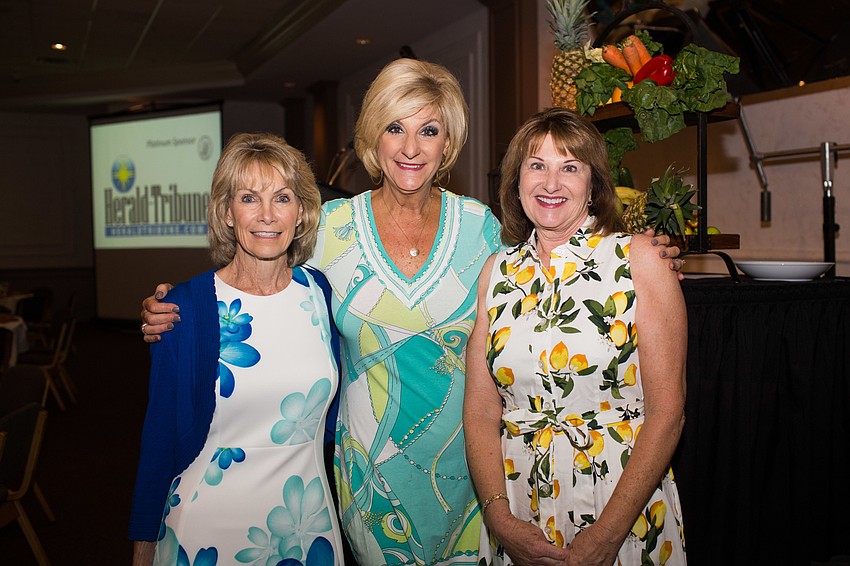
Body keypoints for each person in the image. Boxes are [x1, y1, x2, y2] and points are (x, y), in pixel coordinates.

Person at [139, 59, 684, 565]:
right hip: (373, 486)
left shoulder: (484, 231)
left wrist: (647, 257)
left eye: (429, 130)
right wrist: (178, 308)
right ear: (374, 136)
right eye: (396, 127)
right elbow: (258, 278)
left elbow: (556, 271)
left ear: (447, 143)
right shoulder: (329, 229)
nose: (411, 147)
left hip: (482, 483)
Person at [464, 107, 687, 566]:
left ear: (593, 185)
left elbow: (669, 412)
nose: (551, 183)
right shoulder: (496, 274)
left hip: (623, 508)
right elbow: (482, 409)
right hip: (520, 505)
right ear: (516, 181)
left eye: (570, 167)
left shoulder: (639, 261)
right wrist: (500, 520)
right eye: (536, 165)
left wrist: (607, 535)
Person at [129, 133, 344, 565]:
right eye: (249, 198)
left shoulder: (320, 293)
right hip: (207, 530)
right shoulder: (185, 308)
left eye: (282, 198)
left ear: (301, 212)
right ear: (227, 213)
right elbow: (159, 439)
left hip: (307, 526)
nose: (267, 214)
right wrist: (142, 551)